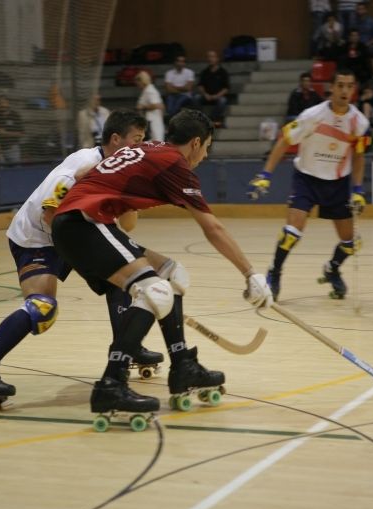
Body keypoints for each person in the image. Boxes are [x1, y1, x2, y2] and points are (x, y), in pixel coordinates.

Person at [51, 109, 273, 415]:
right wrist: (251, 275)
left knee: (173, 276)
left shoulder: (148, 148)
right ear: (195, 143)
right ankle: (111, 385)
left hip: (81, 222)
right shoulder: (174, 164)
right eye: (207, 147)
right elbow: (212, 228)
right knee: (155, 291)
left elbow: (81, 176)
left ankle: (183, 366)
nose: (206, 155)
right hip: (85, 224)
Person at [0, 110, 161, 400]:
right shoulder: (83, 165)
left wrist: (128, 197)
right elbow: (50, 212)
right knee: (42, 309)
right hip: (36, 238)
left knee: (122, 277)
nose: (140, 148)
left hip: (69, 234)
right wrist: (84, 250)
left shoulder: (116, 170)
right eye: (136, 140)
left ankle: (125, 348)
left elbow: (127, 225)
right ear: (116, 139)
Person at [246, 68, 370, 301]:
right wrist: (265, 174)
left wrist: (358, 189)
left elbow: (360, 155)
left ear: (354, 90)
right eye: (340, 85)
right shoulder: (311, 115)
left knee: (352, 243)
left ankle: (332, 268)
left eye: (349, 86)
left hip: (338, 183)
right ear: (331, 88)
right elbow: (284, 140)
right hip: (307, 179)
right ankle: (275, 272)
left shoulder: (359, 123)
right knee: (292, 231)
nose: (345, 91)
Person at [193, 50, 230, 127]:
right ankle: (200, 119)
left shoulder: (223, 72)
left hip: (218, 97)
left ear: (217, 59)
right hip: (206, 96)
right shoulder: (204, 72)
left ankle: (212, 119)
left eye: (212, 57)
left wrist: (217, 96)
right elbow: (200, 86)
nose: (210, 59)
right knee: (196, 98)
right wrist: (205, 94)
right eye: (209, 57)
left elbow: (226, 88)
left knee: (223, 100)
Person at [0, 95, 25, 163]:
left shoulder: (15, 115)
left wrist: (5, 133)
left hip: (12, 149)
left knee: (15, 170)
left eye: (4, 102)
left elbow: (21, 133)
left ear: (8, 103)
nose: (2, 105)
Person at [135, 71, 165, 141]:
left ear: (142, 81)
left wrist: (143, 107)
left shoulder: (150, 90)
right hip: (150, 119)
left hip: (153, 120)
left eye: (138, 82)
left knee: (156, 140)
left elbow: (158, 105)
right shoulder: (146, 90)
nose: (137, 85)